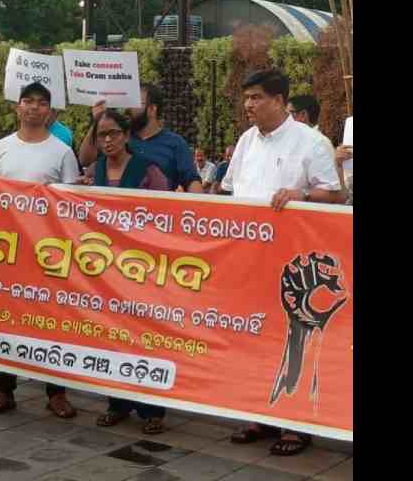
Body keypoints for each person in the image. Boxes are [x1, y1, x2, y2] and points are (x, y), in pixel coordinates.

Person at [223, 69, 342, 456]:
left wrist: (301, 193)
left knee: (292, 341)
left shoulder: (312, 143)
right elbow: (229, 191)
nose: (248, 105)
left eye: (256, 97)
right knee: (253, 336)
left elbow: (335, 196)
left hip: (295, 267)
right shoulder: (245, 141)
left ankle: (295, 424)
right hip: (248, 260)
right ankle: (258, 413)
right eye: (247, 98)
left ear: (278, 100)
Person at [0, 82, 81, 419]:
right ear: (17, 108)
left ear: (49, 111)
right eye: (28, 102)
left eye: (41, 103)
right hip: (8, 251)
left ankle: (56, 392)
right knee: (7, 321)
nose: (34, 108)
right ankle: (4, 389)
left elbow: (70, 207)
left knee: (52, 322)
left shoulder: (62, 152)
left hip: (49, 254)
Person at [84, 109, 171, 435]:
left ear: (126, 136)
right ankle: (117, 403)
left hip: (142, 269)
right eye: (101, 135)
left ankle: (153, 409)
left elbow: (166, 215)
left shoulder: (148, 171)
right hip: (108, 269)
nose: (107, 141)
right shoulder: (96, 170)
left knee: (145, 336)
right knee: (113, 336)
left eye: (113, 134)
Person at [78, 84, 203, 193]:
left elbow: (191, 180)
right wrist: (97, 121)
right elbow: (85, 160)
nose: (128, 108)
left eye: (135, 103)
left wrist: (200, 209)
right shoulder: (119, 137)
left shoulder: (175, 143)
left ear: (152, 109)